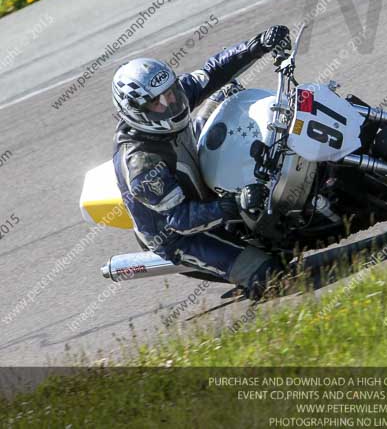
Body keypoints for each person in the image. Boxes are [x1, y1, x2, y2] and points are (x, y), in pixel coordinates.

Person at [111, 25, 291, 298]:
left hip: (192, 166)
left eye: (170, 92)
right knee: (273, 277)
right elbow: (181, 220)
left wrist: (257, 45)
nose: (170, 103)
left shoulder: (173, 98)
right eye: (158, 103)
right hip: (179, 234)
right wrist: (234, 203)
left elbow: (213, 71)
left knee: (227, 90)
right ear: (136, 111)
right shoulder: (142, 165)